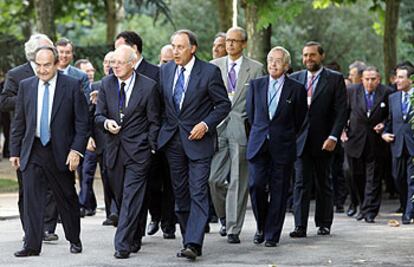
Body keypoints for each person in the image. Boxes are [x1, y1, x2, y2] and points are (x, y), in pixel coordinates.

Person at [158, 29, 231, 260]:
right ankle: (187, 237)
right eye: (173, 46)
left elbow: (223, 105)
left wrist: (206, 125)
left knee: (198, 191)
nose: (175, 51)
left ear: (193, 48)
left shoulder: (209, 72)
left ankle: (193, 243)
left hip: (199, 142)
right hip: (173, 142)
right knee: (180, 194)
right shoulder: (166, 70)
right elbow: (160, 106)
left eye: (180, 47)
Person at [10, 46, 89, 257]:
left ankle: (74, 238)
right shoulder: (26, 86)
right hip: (33, 149)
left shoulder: (71, 86)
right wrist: (15, 151)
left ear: (56, 64)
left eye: (47, 65)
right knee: (31, 199)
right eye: (38, 65)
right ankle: (32, 245)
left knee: (66, 197)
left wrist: (76, 151)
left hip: (60, 151)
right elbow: (19, 121)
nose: (42, 70)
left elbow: (82, 123)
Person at [95, 45, 160, 259]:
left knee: (132, 196)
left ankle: (121, 244)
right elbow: (98, 115)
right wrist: (106, 124)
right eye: (113, 62)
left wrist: (150, 146)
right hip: (114, 151)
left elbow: (154, 121)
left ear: (132, 63)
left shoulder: (149, 86)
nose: (115, 66)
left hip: (139, 153)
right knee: (123, 198)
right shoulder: (106, 84)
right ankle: (134, 236)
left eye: (119, 62)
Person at [247, 46, 307, 247]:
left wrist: (284, 135)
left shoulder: (297, 89)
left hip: (283, 146)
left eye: (278, 60)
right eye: (270, 59)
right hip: (258, 144)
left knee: (279, 191)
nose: (273, 63)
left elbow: (299, 120)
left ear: (287, 66)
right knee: (255, 185)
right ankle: (261, 226)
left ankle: (272, 234)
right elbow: (251, 115)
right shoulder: (256, 85)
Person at [208, 26, 263, 244]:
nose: (229, 44)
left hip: (241, 128)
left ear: (244, 44)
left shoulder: (256, 69)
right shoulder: (213, 67)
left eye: (234, 41)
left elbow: (259, 103)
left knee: (239, 180)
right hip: (217, 127)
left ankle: (233, 228)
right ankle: (223, 216)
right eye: (227, 40)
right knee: (213, 179)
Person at [0, 33, 56, 241]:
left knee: (51, 185)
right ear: (35, 54)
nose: (53, 53)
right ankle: (31, 230)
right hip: (26, 140)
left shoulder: (54, 73)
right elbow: (4, 101)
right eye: (49, 48)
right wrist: (30, 98)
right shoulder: (16, 74)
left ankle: (47, 228)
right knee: (28, 187)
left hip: (51, 137)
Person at [289, 41, 347, 238]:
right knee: (300, 184)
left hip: (325, 140)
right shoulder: (295, 78)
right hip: (300, 141)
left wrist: (333, 136)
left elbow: (341, 112)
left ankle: (324, 224)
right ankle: (299, 226)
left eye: (312, 55)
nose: (308, 59)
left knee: (324, 182)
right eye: (305, 55)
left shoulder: (335, 79)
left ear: (321, 56)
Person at [343, 66, 392, 223]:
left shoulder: (386, 93)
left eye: (373, 79)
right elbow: (342, 113)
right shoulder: (352, 91)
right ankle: (362, 205)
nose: (370, 82)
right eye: (367, 79)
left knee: (374, 178)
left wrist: (384, 124)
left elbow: (391, 116)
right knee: (355, 175)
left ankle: (370, 211)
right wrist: (341, 131)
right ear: (361, 79)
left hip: (376, 142)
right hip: (355, 140)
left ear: (378, 79)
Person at [145, 43, 176, 239]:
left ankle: (169, 224)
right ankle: (155, 215)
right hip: (157, 136)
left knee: (172, 182)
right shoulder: (156, 77)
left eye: (170, 61)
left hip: (175, 138)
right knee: (153, 182)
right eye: (164, 61)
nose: (167, 65)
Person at [382, 65, 414, 225]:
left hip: (413, 147)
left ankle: (408, 214)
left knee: (411, 180)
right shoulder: (393, 98)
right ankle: (405, 206)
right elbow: (389, 121)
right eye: (396, 77)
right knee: (398, 178)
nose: (397, 80)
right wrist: (384, 133)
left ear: (411, 79)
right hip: (397, 146)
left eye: (401, 77)